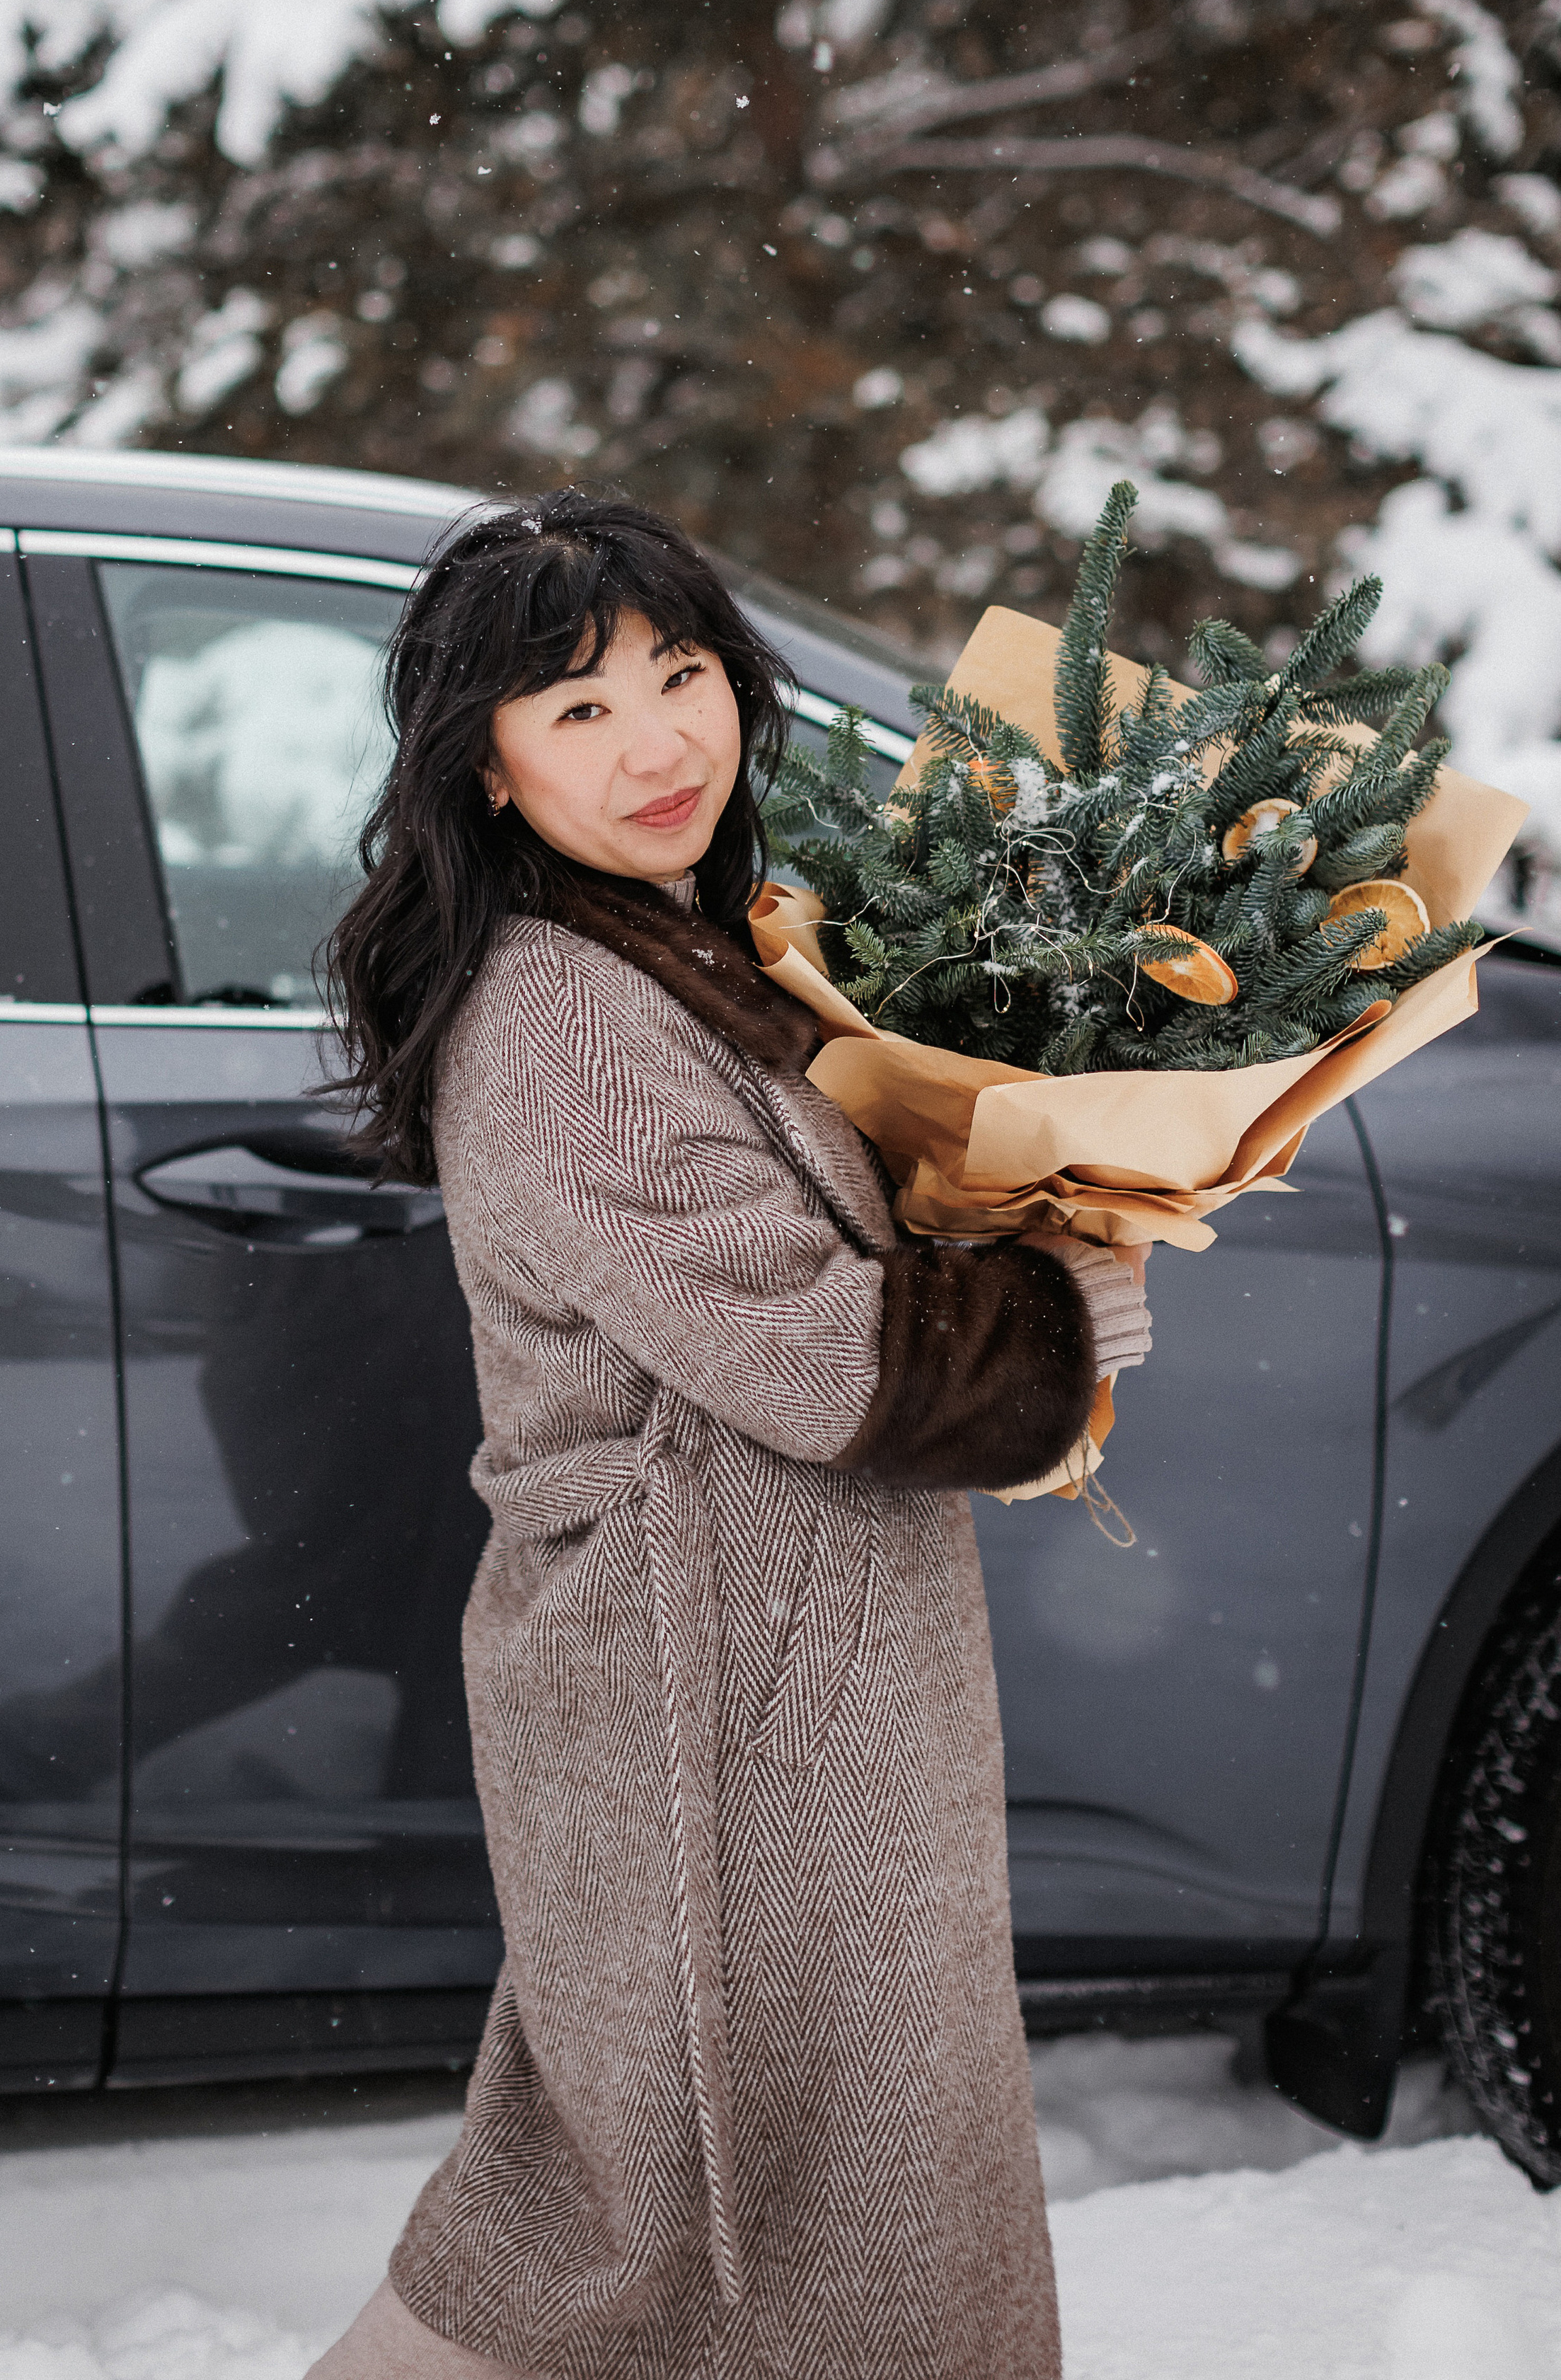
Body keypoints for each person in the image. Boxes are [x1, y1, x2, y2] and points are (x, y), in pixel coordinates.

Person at [309, 491, 1153, 2380]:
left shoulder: (682, 941)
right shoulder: (564, 1022)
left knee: (643, 2208)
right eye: (581, 710)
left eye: (680, 675)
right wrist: (1061, 1312)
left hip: (784, 1688)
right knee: (677, 2228)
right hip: (710, 1722)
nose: (662, 741)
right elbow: (824, 1361)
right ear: (493, 770)